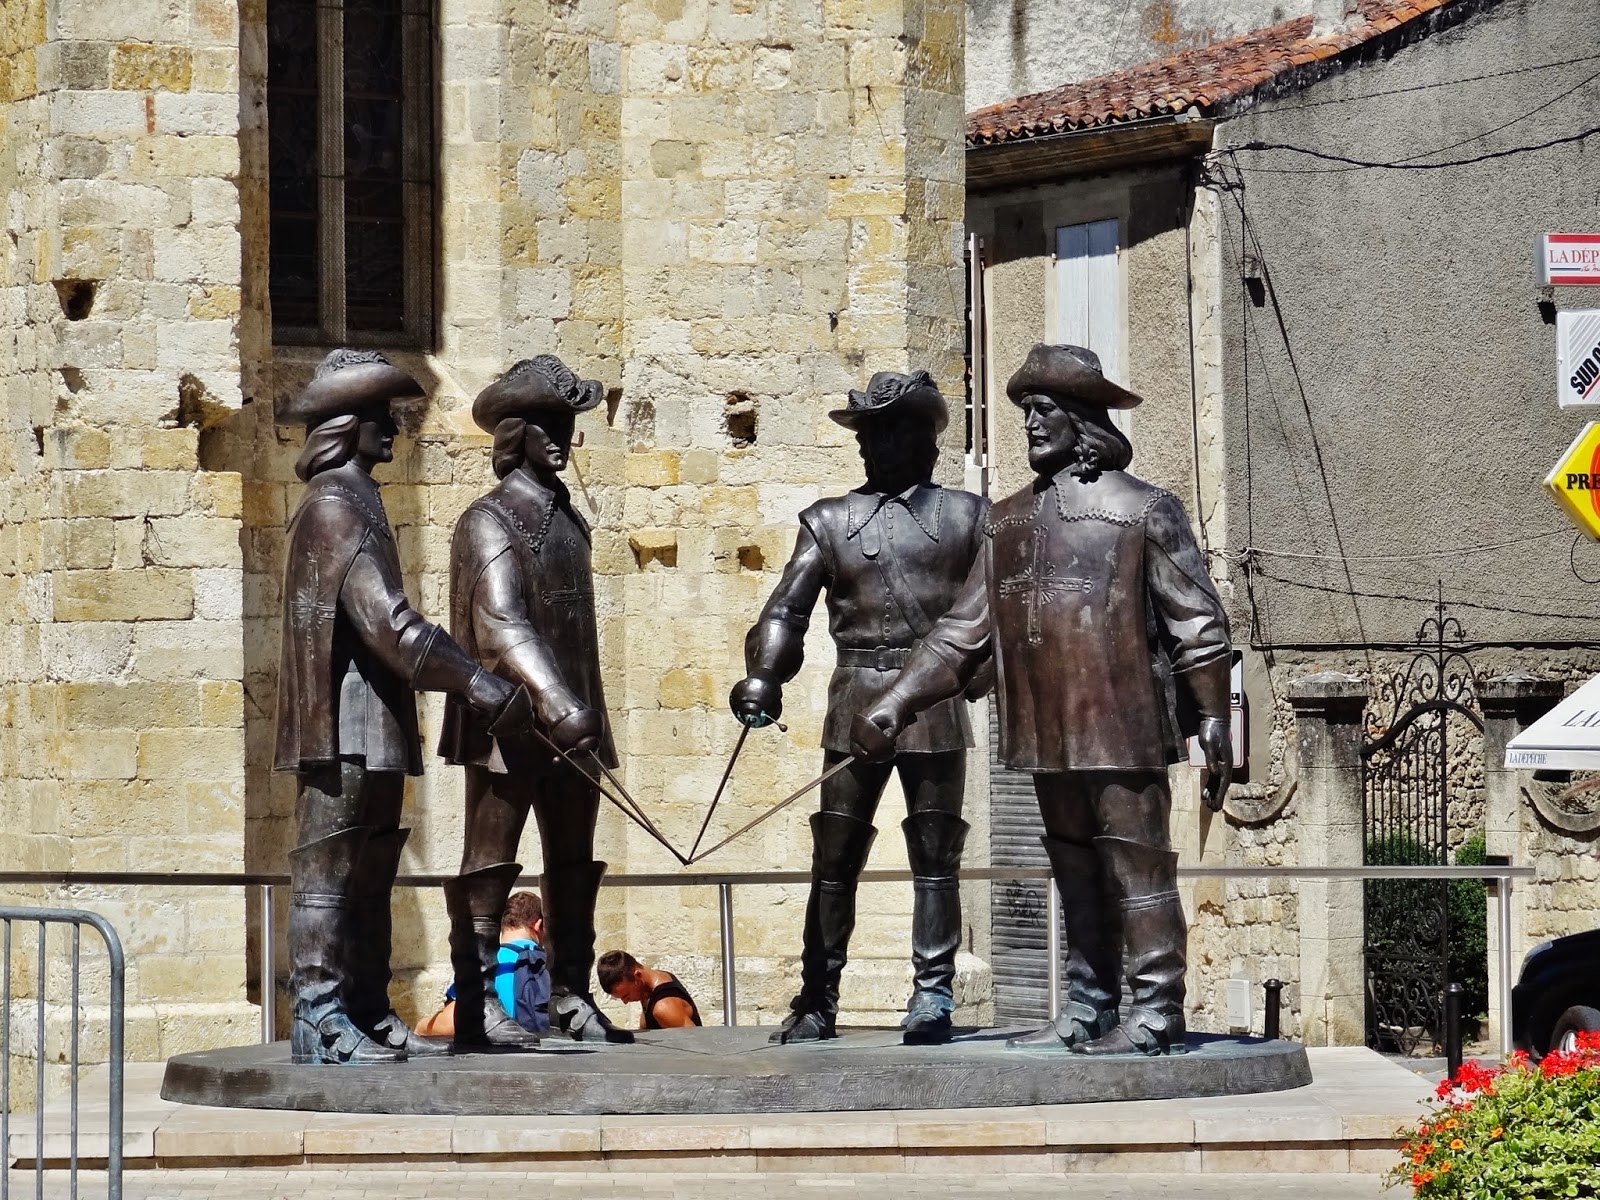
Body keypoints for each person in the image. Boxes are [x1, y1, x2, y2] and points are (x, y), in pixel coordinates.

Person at [852, 344, 1233, 1058]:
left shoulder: (1143, 510)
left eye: (1044, 409)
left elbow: (1198, 622)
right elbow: (962, 632)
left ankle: (1157, 1009)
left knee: (1139, 870)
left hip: (1122, 725)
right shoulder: (1006, 522)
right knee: (1075, 870)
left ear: (1083, 418)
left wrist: (1213, 715)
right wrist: (895, 703)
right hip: (1045, 728)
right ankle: (1089, 1004)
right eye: (1026, 410)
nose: (1030, 423)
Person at [274, 349, 535, 1065]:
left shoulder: (359, 498)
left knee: (371, 873)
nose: (394, 428)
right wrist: (477, 682)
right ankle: (320, 1018)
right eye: (381, 416)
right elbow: (389, 624)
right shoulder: (335, 504)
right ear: (348, 424)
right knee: (328, 878)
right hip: (342, 729)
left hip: (375, 725)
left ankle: (363, 1004)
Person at [728, 370, 989, 1045]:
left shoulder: (968, 517)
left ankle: (932, 994)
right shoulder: (827, 521)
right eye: (867, 434)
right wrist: (764, 673)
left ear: (925, 440)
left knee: (936, 853)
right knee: (835, 855)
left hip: (934, 703)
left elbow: (992, 610)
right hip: (854, 698)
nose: (873, 445)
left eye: (888, 431)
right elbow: (786, 610)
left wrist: (987, 671)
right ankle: (817, 996)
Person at [439, 354, 632, 1046]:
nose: (562, 437)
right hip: (511, 725)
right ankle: (476, 1004)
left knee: (573, 862)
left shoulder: (569, 521)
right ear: (515, 433)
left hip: (576, 723)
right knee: (489, 864)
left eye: (567, 423)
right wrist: (555, 699)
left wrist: (579, 710)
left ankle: (571, 992)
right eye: (548, 424)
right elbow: (499, 625)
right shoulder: (488, 520)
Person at [417, 890, 551, 1037]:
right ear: (539, 925)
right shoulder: (549, 965)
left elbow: (451, 1024)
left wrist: (421, 1027)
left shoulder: (484, 962)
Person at [596, 950, 703, 1030]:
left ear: (637, 976)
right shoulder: (648, 987)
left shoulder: (664, 1008)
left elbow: (695, 1044)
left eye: (626, 996)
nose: (625, 1002)